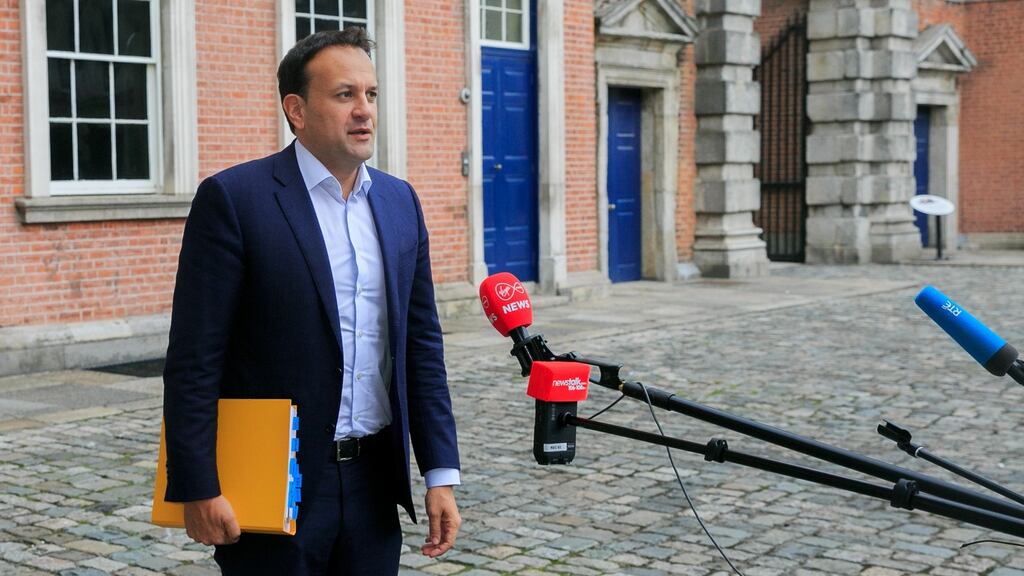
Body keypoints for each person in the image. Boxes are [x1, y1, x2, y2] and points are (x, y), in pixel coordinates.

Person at [161, 27, 461, 575]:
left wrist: (440, 473)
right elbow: (194, 359)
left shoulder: (399, 203)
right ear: (296, 109)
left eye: (370, 95)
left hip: (374, 484)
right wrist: (197, 485)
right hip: (276, 482)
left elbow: (422, 347)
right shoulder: (234, 199)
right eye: (344, 95)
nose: (364, 111)